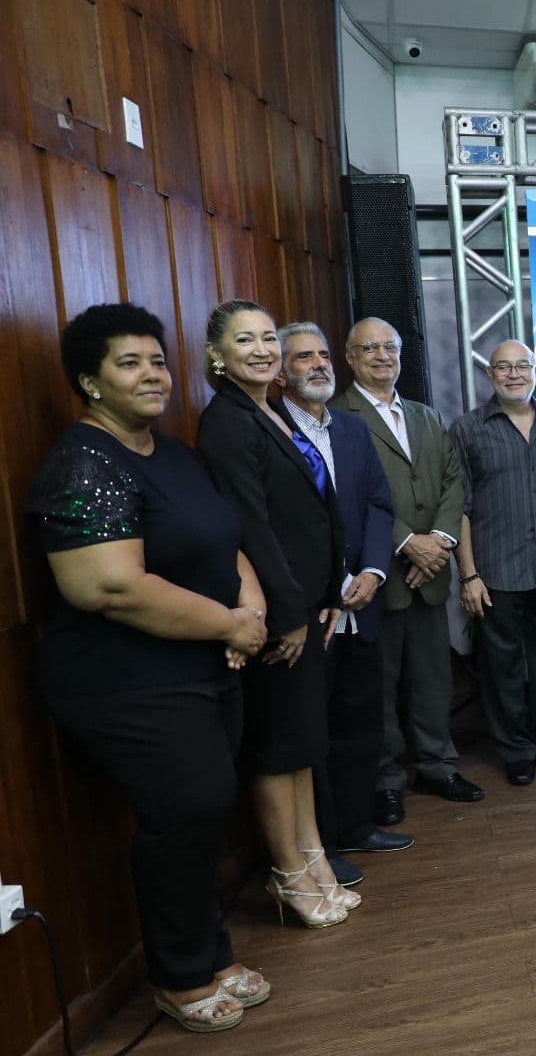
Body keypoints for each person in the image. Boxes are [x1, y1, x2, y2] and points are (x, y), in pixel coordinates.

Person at [26, 303, 271, 1031]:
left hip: (205, 666)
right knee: (185, 812)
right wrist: (231, 623)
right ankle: (181, 973)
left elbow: (225, 539)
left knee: (201, 815)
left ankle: (210, 953)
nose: (152, 375)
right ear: (89, 382)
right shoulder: (81, 460)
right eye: (129, 363)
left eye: (158, 360)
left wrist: (249, 611)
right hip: (126, 680)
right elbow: (106, 586)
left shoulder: (174, 454)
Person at [195, 299, 357, 929]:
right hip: (277, 620)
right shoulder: (228, 423)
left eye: (269, 339)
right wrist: (289, 613)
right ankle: (289, 875)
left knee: (303, 747)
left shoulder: (268, 412)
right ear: (217, 355)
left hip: (309, 610)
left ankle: (314, 859)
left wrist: (322, 600)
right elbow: (251, 527)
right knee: (277, 750)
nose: (263, 350)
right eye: (246, 340)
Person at [330, 318, 483, 823]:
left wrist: (437, 543)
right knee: (380, 683)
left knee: (433, 678)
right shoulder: (337, 416)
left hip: (431, 571)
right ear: (349, 358)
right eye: (369, 348)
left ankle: (439, 765)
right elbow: (348, 494)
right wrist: (406, 545)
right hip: (377, 575)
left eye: (390, 347)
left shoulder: (425, 415)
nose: (381, 356)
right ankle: (387, 780)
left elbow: (452, 482)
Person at [276, 323, 413, 872]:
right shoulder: (273, 430)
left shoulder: (353, 431)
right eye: (303, 358)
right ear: (281, 371)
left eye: (322, 355)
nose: (318, 365)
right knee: (315, 731)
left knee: (361, 721)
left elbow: (380, 506)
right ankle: (323, 845)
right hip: (310, 612)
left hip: (363, 601)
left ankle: (357, 826)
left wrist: (377, 571)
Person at [451, 340, 536, 785]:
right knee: (502, 668)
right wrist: (468, 574)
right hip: (495, 574)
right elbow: (459, 509)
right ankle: (515, 751)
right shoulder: (468, 430)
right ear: (489, 375)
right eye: (503, 368)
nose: (513, 374)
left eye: (521, 366)